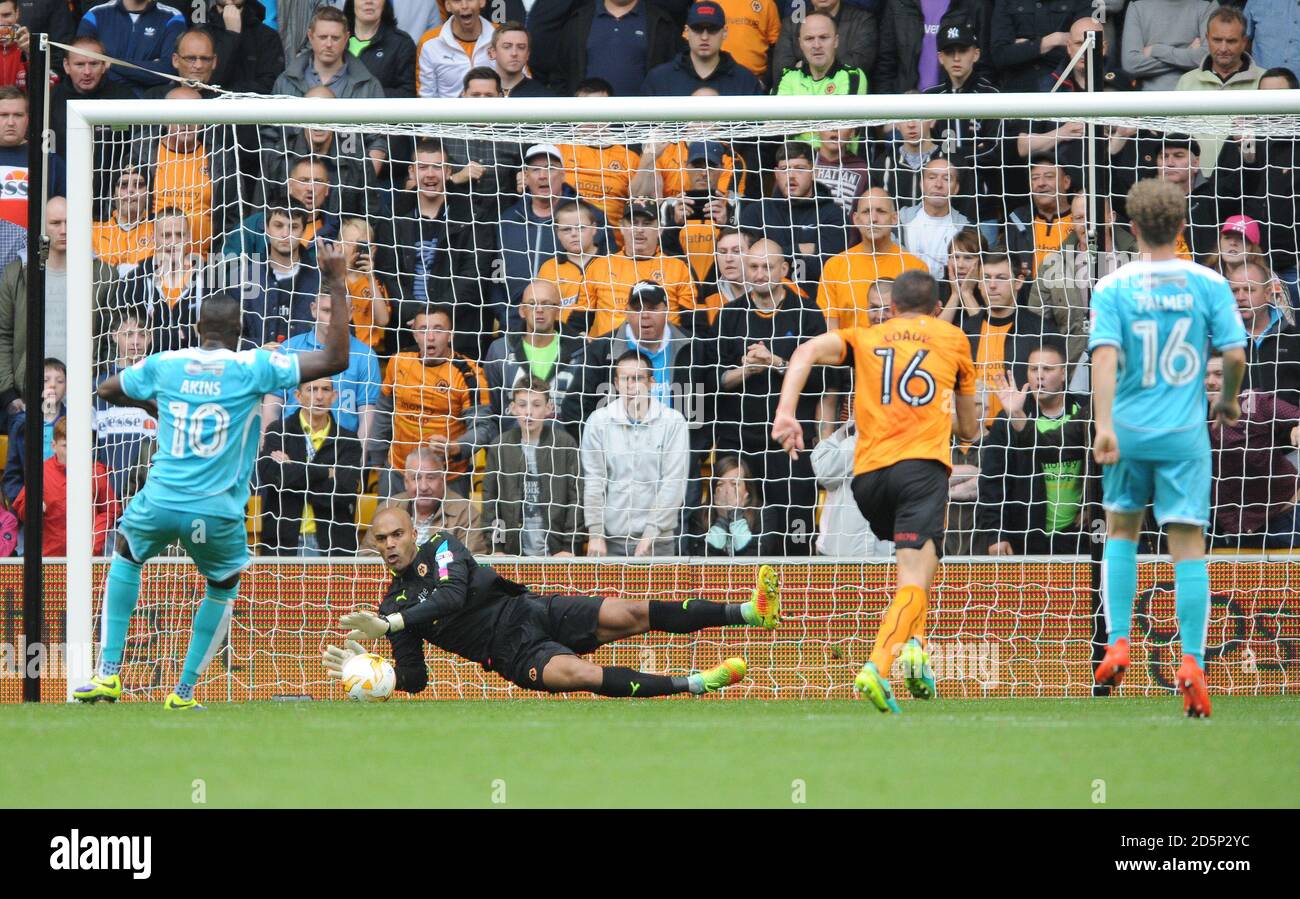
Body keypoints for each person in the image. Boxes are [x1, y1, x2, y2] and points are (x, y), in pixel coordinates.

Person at [72, 238, 353, 710]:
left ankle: (107, 675)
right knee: (221, 585)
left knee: (126, 555)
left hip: (160, 500)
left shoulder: (167, 363)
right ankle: (182, 693)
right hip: (218, 511)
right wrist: (336, 282)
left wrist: (157, 405)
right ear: (241, 329)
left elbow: (107, 387)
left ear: (197, 327)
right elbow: (334, 361)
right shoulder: (253, 365)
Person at [773, 269, 979, 713]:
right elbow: (968, 427)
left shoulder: (865, 337)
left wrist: (787, 412)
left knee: (926, 559)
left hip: (867, 480)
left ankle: (916, 650)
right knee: (913, 576)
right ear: (938, 309)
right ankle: (878, 665)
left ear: (890, 308)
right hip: (920, 471)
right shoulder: (953, 338)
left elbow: (805, 350)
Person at [1088, 179, 1250, 719]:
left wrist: (1104, 424)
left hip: (1128, 429)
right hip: (1183, 436)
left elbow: (1105, 358)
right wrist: (1226, 402)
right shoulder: (1208, 283)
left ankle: (1117, 642)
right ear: (1182, 226)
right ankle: (1192, 662)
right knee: (1187, 544)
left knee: (1122, 531)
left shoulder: (1112, 286)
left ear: (1132, 227)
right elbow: (1233, 354)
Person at [322, 506, 780, 697]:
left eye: (397, 533)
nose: (390, 544)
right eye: (381, 539)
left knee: (630, 611)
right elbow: (417, 678)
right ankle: (697, 683)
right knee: (580, 674)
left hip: (530, 610)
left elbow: (452, 596)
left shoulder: (441, 546)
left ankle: (748, 612)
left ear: (413, 533)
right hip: (513, 655)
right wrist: (377, 675)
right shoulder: (389, 607)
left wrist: (392, 624)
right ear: (374, 546)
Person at [715, 238, 832, 554]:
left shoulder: (807, 313)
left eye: (767, 266)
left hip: (790, 442)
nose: (759, 273)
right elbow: (713, 378)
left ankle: (798, 589)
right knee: (737, 531)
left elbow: (824, 377)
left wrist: (777, 362)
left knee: (795, 527)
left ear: (784, 269)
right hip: (739, 441)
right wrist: (747, 370)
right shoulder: (729, 315)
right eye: (753, 266)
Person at [979, 346, 1091, 556]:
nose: (1039, 376)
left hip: (1078, 534)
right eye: (1033, 369)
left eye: (1047, 369)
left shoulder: (1085, 412)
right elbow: (992, 480)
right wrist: (996, 533)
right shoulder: (1007, 420)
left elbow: (1102, 467)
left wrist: (1091, 506)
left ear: (1064, 373)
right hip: (1025, 535)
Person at [581, 349, 690, 557]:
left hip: (658, 541)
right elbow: (594, 480)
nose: (631, 386)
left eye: (638, 378)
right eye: (625, 379)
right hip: (611, 540)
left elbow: (673, 483)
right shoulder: (598, 421)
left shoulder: (673, 422)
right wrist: (595, 533)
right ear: (615, 383)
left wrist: (650, 534)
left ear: (652, 382)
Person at [379, 305, 492, 487]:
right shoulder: (399, 361)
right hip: (399, 471)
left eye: (438, 330)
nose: (430, 337)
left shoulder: (469, 374)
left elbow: (484, 428)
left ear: (451, 335)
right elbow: (384, 410)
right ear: (414, 334)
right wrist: (377, 457)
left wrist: (457, 447)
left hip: (448, 477)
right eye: (423, 330)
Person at [269, 289, 381, 459]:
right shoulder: (289, 350)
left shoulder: (365, 356)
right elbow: (272, 406)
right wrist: (269, 449)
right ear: (314, 310)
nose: (333, 320)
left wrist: (357, 459)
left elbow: (367, 416)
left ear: (350, 313)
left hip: (341, 452)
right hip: (290, 449)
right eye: (327, 311)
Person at [257, 377, 363, 556]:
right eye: (311, 390)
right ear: (298, 396)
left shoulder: (348, 440)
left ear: (335, 396)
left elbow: (344, 491)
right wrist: (326, 472)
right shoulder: (278, 431)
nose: (319, 396)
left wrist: (293, 473)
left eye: (325, 390)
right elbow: (271, 476)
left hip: (333, 544)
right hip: (282, 543)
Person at [1205, 354, 1300, 550]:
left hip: (1283, 521)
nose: (1211, 382)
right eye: (1205, 375)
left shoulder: (1255, 403)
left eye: (1219, 374)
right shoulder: (1192, 415)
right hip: (1229, 531)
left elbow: (1297, 417)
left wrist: (1297, 426)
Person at [481, 376, 583, 556]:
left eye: (536, 405)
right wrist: (497, 547)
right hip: (513, 550)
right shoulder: (500, 447)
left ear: (549, 408)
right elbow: (492, 502)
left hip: (558, 551)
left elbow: (576, 498)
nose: (529, 412)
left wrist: (569, 547)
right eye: (522, 405)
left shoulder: (564, 444)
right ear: (512, 408)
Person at [482, 280, 588, 438]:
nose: (539, 310)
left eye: (547, 304)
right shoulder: (500, 351)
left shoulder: (582, 351)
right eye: (532, 304)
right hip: (514, 454)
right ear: (522, 311)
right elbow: (493, 408)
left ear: (558, 310)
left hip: (564, 454)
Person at [739, 141, 849, 291]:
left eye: (799, 168)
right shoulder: (756, 213)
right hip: (767, 302)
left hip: (818, 304)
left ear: (814, 172)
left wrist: (772, 254)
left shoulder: (834, 215)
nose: (791, 176)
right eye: (784, 169)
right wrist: (802, 249)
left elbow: (828, 267)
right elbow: (748, 263)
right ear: (776, 174)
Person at [817, 188, 928, 330]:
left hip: (901, 350)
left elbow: (922, 329)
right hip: (850, 351)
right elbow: (830, 333)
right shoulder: (835, 266)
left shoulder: (915, 269)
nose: (873, 219)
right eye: (866, 212)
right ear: (856, 219)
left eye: (881, 211)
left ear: (894, 218)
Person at [583, 200, 696, 337]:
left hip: (666, 352)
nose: (639, 229)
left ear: (659, 229)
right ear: (622, 228)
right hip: (611, 353)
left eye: (647, 224)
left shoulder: (679, 267)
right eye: (633, 223)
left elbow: (694, 323)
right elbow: (578, 320)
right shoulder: (598, 267)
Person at [14, 418, 119, 556]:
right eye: (65, 446)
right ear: (53, 446)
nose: (72, 452)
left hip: (87, 557)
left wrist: (93, 541)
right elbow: (21, 507)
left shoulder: (96, 472)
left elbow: (110, 510)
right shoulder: (40, 472)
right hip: (49, 557)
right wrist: (32, 508)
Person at [541, 0, 681, 97]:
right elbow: (559, 75)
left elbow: (672, 76)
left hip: (643, 130)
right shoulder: (578, 20)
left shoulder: (661, 23)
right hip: (587, 129)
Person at [376, 443, 486, 552]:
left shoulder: (465, 513)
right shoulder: (387, 509)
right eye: (416, 478)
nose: (423, 487)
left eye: (430, 477)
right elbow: (367, 557)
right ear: (406, 482)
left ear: (442, 480)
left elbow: (472, 561)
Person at [641, 2, 764, 96]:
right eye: (697, 29)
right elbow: (643, 127)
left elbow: (759, 128)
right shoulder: (660, 79)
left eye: (712, 29)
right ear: (687, 32)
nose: (704, 37)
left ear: (725, 32)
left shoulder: (745, 81)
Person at [810, 420, 893, 558]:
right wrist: (865, 440)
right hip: (838, 553)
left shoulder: (908, 433)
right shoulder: (848, 430)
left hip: (890, 554)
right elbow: (823, 472)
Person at [76, 0, 187, 95]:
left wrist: (110, 64)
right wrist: (148, 70)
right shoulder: (95, 14)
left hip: (150, 106)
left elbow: (168, 70)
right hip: (103, 102)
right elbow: (83, 67)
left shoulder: (172, 17)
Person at [987, 0, 1092, 94]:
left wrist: (1025, 48)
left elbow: (1085, 50)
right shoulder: (1007, 2)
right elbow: (1000, 55)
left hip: (1065, 88)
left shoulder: (1080, 2)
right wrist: (1053, 40)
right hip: (1018, 92)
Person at [769, 0, 875, 90]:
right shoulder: (792, 23)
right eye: (809, 38)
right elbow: (781, 70)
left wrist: (805, 65)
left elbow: (859, 65)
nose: (817, 45)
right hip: (799, 97)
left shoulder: (863, 20)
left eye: (824, 37)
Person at [899, 156, 971, 278]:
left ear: (956, 188)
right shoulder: (899, 222)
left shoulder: (967, 229)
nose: (938, 184)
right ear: (922, 184)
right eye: (932, 177)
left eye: (947, 179)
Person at [1121, 0, 1215, 92]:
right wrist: (1188, 53)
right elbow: (1131, 65)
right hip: (1150, 97)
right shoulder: (1137, 6)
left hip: (1195, 94)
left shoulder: (1206, 5)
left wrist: (1156, 50)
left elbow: (1208, 58)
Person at [203, 0, 286, 95]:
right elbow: (202, 83)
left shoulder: (268, 37)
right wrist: (231, 35)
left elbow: (271, 84)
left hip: (253, 108)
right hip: (210, 107)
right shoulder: (200, 36)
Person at [415, 0, 493, 99]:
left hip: (495, 113)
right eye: (457, 1)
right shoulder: (429, 43)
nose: (464, 5)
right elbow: (426, 97)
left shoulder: (501, 38)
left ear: (482, 2)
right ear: (447, 5)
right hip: (446, 114)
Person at [688, 454, 760, 556]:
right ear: (713, 492)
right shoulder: (699, 515)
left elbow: (754, 557)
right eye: (720, 484)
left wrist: (736, 517)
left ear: (747, 489)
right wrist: (722, 519)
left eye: (734, 484)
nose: (727, 491)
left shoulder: (764, 514)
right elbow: (703, 558)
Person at [343, 0, 416, 97]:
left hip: (380, 112)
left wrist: (366, 95)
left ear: (385, 3)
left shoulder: (401, 43)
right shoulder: (334, 38)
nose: (369, 1)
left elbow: (407, 93)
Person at [490, 20, 553, 98]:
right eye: (507, 47)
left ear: (528, 54)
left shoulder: (543, 97)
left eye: (521, 47)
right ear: (493, 52)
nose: (514, 53)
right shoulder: (477, 93)